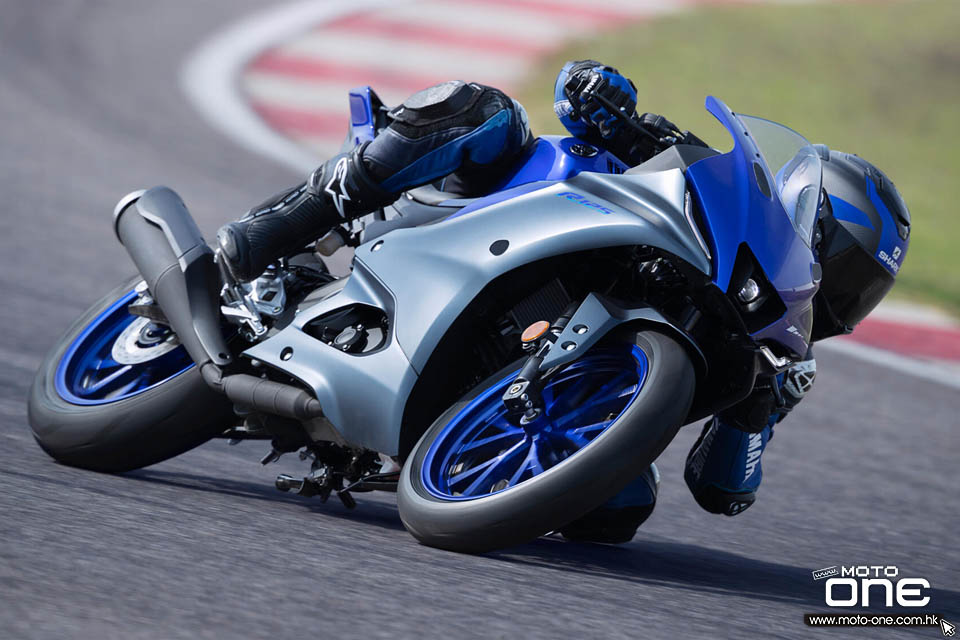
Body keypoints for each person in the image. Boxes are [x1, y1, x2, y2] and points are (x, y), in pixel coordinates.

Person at [217, 61, 911, 543]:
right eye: (840, 261)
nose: (840, 293)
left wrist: (758, 411)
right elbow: (580, 94)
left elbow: (722, 491)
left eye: (859, 292)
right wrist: (604, 96)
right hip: (501, 217)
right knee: (484, 110)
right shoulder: (706, 181)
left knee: (618, 513)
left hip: (560, 395)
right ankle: (281, 226)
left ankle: (451, 454)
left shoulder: (772, 362)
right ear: (802, 207)